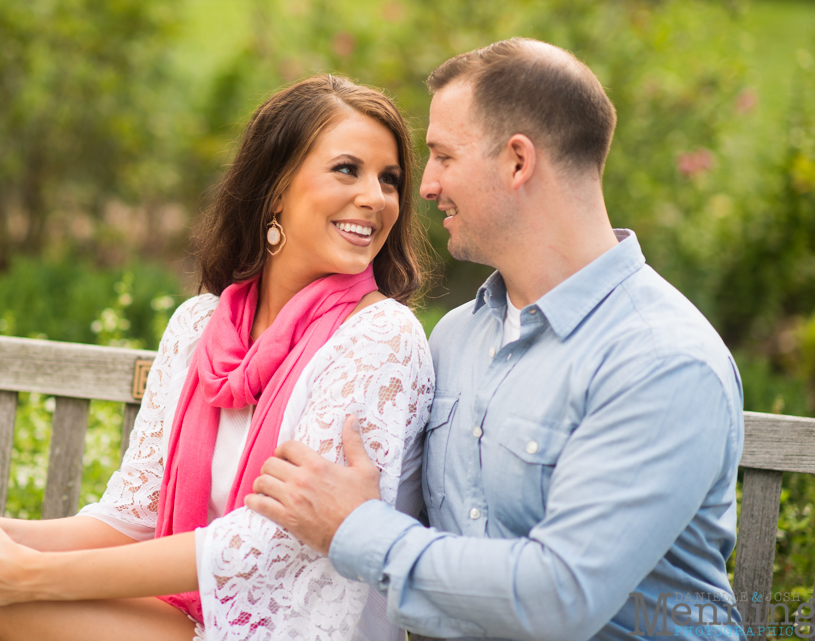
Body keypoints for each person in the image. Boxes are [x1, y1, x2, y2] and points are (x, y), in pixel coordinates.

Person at [0, 74, 435, 641]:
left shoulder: (380, 337)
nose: (375, 198)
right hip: (191, 619)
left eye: (389, 180)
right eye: (348, 169)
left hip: (282, 631)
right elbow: (132, 517)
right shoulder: (199, 328)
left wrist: (26, 575)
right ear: (276, 188)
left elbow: (268, 541)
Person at [247, 39, 746, 640]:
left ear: (517, 162)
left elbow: (559, 597)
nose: (424, 188)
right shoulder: (456, 338)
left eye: (442, 157)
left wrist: (355, 528)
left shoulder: (662, 359)